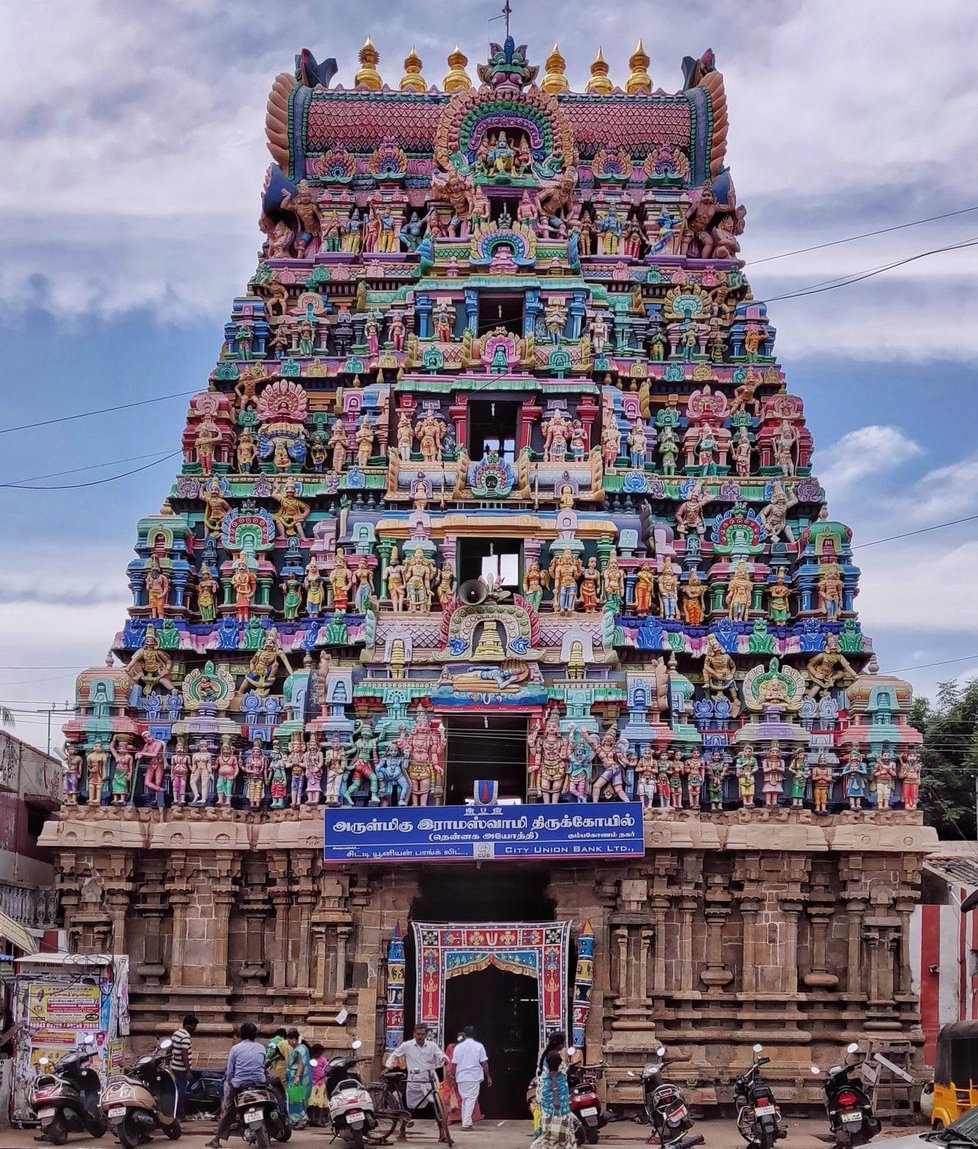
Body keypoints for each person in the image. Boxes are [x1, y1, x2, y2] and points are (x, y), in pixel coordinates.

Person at [207, 1022, 267, 1148]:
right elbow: (263, 1065)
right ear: (255, 1034)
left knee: (229, 1111)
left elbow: (230, 1071)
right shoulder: (261, 1048)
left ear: (241, 1034)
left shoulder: (235, 1049)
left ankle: (217, 1139)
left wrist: (229, 1083)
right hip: (259, 1084)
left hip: (239, 1085)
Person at [385, 1023, 447, 1111]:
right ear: (414, 1034)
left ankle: (440, 1119)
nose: (420, 1037)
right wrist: (389, 1065)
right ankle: (408, 1118)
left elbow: (440, 1055)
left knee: (435, 1100)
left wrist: (444, 1059)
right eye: (418, 1034)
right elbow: (395, 1054)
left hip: (429, 1079)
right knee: (412, 1106)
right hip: (414, 1081)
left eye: (422, 1034)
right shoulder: (407, 1045)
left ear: (426, 1035)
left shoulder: (432, 1046)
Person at [531, 1033, 574, 1149]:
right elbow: (553, 1077)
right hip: (555, 1094)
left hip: (550, 1093)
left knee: (550, 1122)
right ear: (560, 1043)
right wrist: (556, 1098)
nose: (565, 1044)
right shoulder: (554, 1056)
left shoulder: (550, 1055)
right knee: (557, 1121)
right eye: (564, 1042)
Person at [451, 1026, 490, 1131]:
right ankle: (466, 1124)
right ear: (475, 1034)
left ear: (464, 1034)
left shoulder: (458, 1047)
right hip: (473, 1076)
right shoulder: (479, 1046)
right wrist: (488, 1076)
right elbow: (484, 1063)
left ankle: (466, 1122)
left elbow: (453, 1064)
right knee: (470, 1100)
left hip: (461, 1077)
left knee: (465, 1100)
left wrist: (452, 1076)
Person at [169, 1013, 198, 1120]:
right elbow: (184, 1054)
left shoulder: (177, 1033)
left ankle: (177, 1113)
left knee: (177, 1090)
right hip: (181, 1069)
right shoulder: (185, 1037)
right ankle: (179, 1115)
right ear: (187, 1025)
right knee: (181, 1092)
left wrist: (167, 1061)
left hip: (175, 1067)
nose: (195, 1028)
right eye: (193, 1026)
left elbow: (170, 1047)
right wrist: (189, 1071)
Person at [285, 1028, 312, 1128]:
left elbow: (301, 1063)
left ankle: (301, 1119)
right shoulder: (300, 1048)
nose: (289, 1043)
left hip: (297, 1078)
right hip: (295, 1077)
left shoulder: (300, 1049)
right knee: (296, 1098)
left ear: (294, 1039)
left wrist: (297, 1077)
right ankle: (296, 1120)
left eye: (289, 1041)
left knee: (295, 1099)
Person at [307, 1043, 326, 1126]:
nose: (319, 1054)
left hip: (321, 1084)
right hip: (312, 1083)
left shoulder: (323, 1060)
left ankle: (319, 1120)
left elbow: (326, 1069)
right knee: (312, 1102)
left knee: (321, 1103)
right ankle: (313, 1119)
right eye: (318, 1053)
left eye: (321, 1053)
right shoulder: (310, 1059)